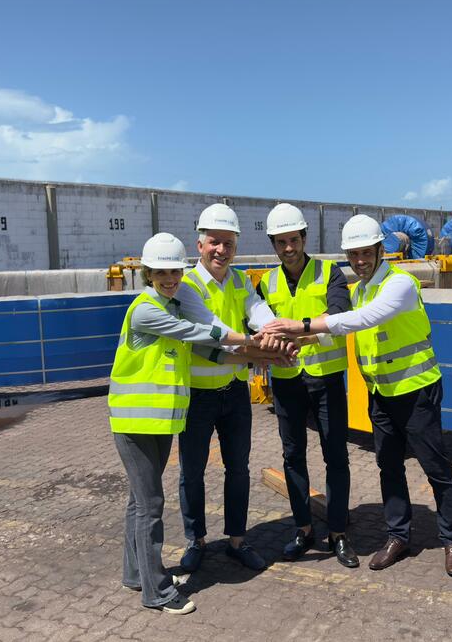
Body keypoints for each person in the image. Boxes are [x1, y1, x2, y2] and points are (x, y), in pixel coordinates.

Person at [262, 214, 452, 578]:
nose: (359, 260)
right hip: (380, 393)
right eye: (353, 254)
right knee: (389, 467)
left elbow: (361, 320)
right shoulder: (361, 289)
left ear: (380, 250)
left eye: (365, 253)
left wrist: (302, 325)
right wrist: (293, 340)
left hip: (415, 390)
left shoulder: (399, 285)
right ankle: (398, 536)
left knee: (436, 468)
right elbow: (336, 329)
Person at [109, 232, 290, 615]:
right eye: (162, 273)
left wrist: (264, 356)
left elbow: (210, 351)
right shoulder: (148, 309)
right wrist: (252, 340)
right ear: (148, 272)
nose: (171, 279)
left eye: (174, 272)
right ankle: (156, 591)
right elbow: (199, 332)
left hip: (157, 422)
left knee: (139, 503)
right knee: (150, 505)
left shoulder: (172, 304)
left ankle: (136, 574)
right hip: (135, 421)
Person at [178, 203, 283, 574]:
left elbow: (259, 310)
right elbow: (212, 334)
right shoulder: (186, 285)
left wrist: (273, 334)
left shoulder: (239, 280)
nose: (222, 250)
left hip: (235, 394)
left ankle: (237, 540)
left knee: (238, 468)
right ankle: (196, 541)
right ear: (200, 244)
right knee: (191, 471)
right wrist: (258, 349)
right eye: (215, 243)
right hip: (197, 396)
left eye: (229, 243)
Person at [257, 203, 358, 568]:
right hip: (286, 382)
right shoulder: (265, 283)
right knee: (292, 457)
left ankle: (338, 533)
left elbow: (338, 318)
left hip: (327, 379)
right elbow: (260, 329)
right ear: (273, 243)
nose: (288, 248)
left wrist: (296, 329)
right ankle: (303, 528)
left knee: (336, 457)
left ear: (304, 238)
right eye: (281, 242)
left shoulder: (331, 273)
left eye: (293, 240)